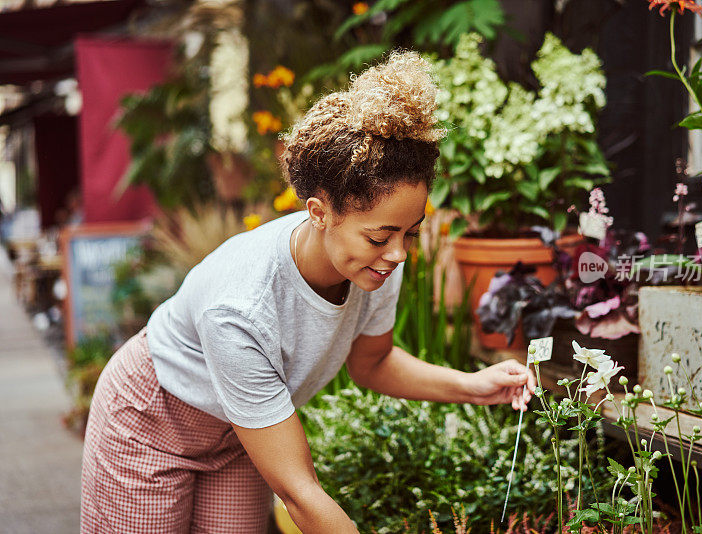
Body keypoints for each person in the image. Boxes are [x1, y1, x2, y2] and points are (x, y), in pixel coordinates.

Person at [80, 51, 535, 533]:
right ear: (319, 213)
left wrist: (473, 385)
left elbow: (372, 363)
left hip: (238, 433)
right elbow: (299, 491)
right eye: (381, 236)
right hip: (151, 422)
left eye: (411, 232)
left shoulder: (374, 261)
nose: (399, 254)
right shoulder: (241, 306)